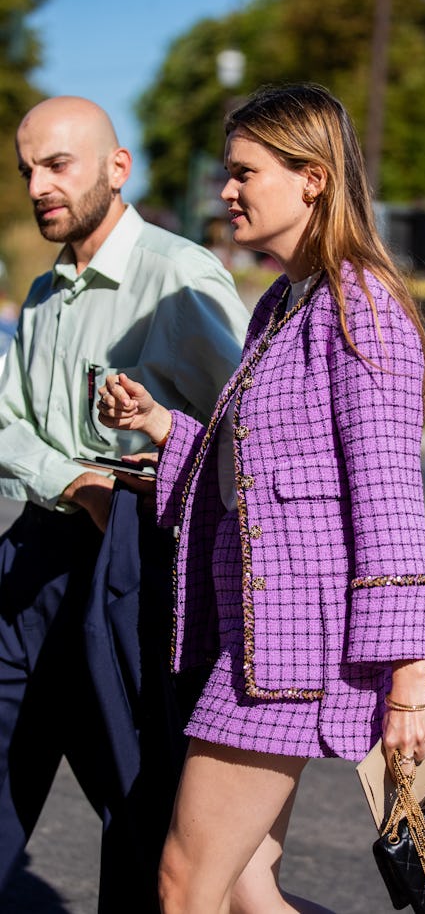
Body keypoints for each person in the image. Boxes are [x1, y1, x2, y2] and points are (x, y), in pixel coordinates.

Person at [98, 82, 425, 914]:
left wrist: (412, 689)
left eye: (244, 172)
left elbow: (390, 500)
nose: (226, 192)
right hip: (259, 644)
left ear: (313, 179)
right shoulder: (285, 306)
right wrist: (161, 426)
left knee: (186, 884)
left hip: (293, 659)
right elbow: (258, 475)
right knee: (248, 888)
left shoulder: (362, 309)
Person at [0, 96, 250, 912]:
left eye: (58, 165)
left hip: (137, 565)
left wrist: (147, 466)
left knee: (141, 815)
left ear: (117, 168)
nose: (39, 185)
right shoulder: (42, 292)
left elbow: (244, 439)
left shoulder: (179, 278)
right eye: (27, 168)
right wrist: (72, 478)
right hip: (34, 552)